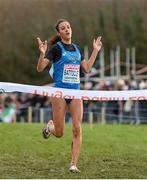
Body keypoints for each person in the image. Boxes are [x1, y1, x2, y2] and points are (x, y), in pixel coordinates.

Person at [36, 19, 102, 172]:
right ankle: (50, 126)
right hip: (59, 92)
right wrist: (42, 54)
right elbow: (40, 68)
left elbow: (86, 68)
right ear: (59, 33)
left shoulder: (77, 49)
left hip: (75, 92)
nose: (67, 30)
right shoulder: (56, 49)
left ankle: (73, 164)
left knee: (77, 128)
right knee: (59, 133)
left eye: (68, 27)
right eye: (63, 28)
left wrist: (95, 51)